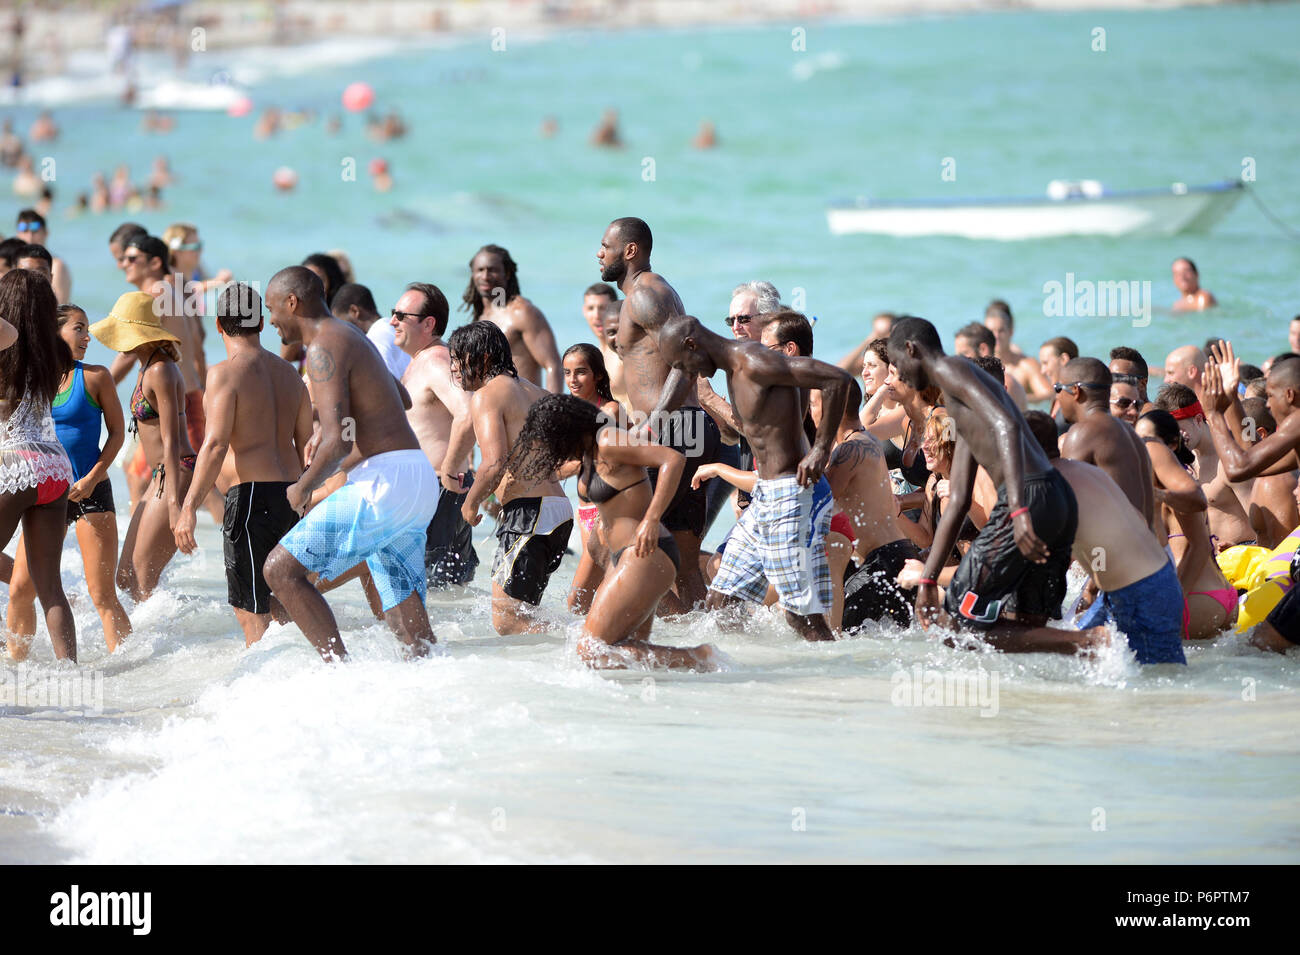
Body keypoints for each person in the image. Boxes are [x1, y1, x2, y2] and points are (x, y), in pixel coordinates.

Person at [888, 317, 1101, 653]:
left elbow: (1007, 427)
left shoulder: (952, 370)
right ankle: (1087, 654)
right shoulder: (959, 401)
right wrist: (929, 578)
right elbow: (958, 498)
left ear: (911, 350)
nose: (898, 373)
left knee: (958, 621)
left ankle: (1088, 641)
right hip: (1055, 499)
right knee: (1026, 625)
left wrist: (1017, 512)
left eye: (897, 362)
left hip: (1027, 501)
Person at [262, 266, 439, 662]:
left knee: (280, 571)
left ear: (293, 302)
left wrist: (303, 486)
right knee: (404, 618)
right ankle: (429, 682)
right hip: (416, 477)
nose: (271, 319)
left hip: (384, 484)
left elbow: (339, 441)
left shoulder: (323, 345)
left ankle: (339, 673)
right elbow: (402, 400)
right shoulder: (354, 337)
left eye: (273, 308)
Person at [656, 313, 851, 642]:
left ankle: (833, 681)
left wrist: (820, 449)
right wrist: (650, 426)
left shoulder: (755, 361)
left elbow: (838, 380)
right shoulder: (733, 371)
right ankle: (753, 676)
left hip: (790, 496)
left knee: (801, 616)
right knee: (721, 602)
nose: (686, 374)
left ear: (692, 344)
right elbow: (754, 431)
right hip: (764, 499)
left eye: (683, 364)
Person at [508, 394, 718, 669]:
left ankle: (700, 658)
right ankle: (688, 675)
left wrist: (652, 519)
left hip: (644, 554)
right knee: (624, 652)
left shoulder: (609, 441)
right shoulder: (588, 454)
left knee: (590, 651)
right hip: (624, 559)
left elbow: (673, 459)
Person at [174, 284, 312, 646]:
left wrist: (188, 507)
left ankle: (260, 692)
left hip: (252, 501)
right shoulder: (291, 374)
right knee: (282, 600)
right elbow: (306, 444)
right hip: (291, 497)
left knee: (250, 613)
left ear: (219, 325)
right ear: (262, 323)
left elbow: (216, 444)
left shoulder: (223, 373)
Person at [599, 216, 722, 611]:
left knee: (611, 542)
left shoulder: (645, 296)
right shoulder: (651, 292)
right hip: (688, 429)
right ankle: (700, 645)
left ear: (630, 251)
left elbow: (688, 361)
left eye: (606, 246)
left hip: (672, 431)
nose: (599, 254)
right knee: (682, 565)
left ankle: (620, 637)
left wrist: (654, 423)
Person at [7, 304, 130, 658]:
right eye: (79, 328)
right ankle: (15, 670)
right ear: (54, 332)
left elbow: (118, 435)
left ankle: (128, 669)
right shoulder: (33, 381)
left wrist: (93, 478)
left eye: (87, 329)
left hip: (90, 491)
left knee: (102, 595)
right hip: (47, 495)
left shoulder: (95, 376)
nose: (87, 337)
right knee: (19, 590)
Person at [1023, 411, 1185, 664]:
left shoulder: (1050, 487)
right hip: (1140, 586)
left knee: (1161, 688)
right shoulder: (1084, 471)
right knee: (1074, 660)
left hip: (1144, 592)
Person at [450, 321, 572, 634]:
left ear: (485, 357)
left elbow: (494, 463)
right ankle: (577, 641)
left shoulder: (488, 395)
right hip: (557, 511)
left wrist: (470, 503)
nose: (453, 367)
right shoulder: (538, 392)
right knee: (523, 616)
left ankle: (584, 642)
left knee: (507, 621)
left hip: (529, 515)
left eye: (458, 358)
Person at [92, 291, 197, 602]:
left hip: (175, 471)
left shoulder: (160, 370)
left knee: (142, 575)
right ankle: (152, 637)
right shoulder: (146, 366)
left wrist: (177, 504)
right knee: (126, 577)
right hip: (161, 475)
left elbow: (174, 439)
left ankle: (165, 644)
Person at [0, 271, 76, 660]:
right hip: (55, 466)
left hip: (15, 462)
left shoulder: (4, 349)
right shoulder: (56, 351)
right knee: (50, 587)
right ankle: (71, 672)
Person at [392, 282, 478, 589]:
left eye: (401, 315)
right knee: (441, 595)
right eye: (393, 313)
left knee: (432, 592)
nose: (392, 321)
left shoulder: (435, 361)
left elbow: (469, 413)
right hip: (432, 491)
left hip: (440, 490)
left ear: (429, 323)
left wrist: (449, 469)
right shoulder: (419, 362)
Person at [827, 377, 923, 632]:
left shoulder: (847, 451)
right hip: (897, 556)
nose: (807, 411)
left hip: (885, 564)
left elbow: (818, 500)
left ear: (831, 411)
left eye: (813, 404)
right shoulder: (864, 440)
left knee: (842, 641)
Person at [1136, 409, 1236, 638]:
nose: (1142, 447)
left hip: (1195, 597)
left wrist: (1174, 604)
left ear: (1170, 445)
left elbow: (1200, 546)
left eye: (1148, 440)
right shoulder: (1182, 478)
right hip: (1217, 595)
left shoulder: (1175, 488)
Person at [1056, 357, 1156, 532]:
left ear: (1075, 391)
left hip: (1118, 555)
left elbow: (1064, 506)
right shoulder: (1132, 436)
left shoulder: (1082, 433)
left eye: (1058, 389)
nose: (1057, 396)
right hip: (1150, 552)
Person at [1154, 382, 1254, 549]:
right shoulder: (1183, 461)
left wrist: (1246, 549)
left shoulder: (1228, 462)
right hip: (1208, 561)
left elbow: (1263, 523)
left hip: (1242, 557)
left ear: (1199, 419)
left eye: (1178, 430)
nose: (1174, 438)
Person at [460, 244, 563, 392]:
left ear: (507, 273)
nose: (485, 276)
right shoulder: (480, 318)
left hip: (524, 408)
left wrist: (553, 411)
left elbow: (553, 365)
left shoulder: (522, 313)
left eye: (492, 270)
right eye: (480, 270)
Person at [331, 282, 410, 381]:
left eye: (341, 323)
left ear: (354, 311)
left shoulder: (376, 340)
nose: (341, 332)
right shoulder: (391, 330)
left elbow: (385, 386)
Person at [985, 301, 1052, 402]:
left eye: (1001, 331)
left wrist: (1016, 396)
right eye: (991, 331)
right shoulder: (977, 365)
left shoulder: (1026, 365)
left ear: (1011, 331)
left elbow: (1048, 395)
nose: (996, 336)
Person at [953, 322, 1028, 409]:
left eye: (963, 354)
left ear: (983, 349)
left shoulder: (1002, 382)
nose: (957, 360)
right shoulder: (998, 379)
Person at [581, 282, 626, 406]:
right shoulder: (594, 354)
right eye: (591, 308)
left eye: (603, 308)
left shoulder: (624, 353)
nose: (596, 315)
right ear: (584, 311)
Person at [14, 209, 70, 302]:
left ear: (46, 233)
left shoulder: (56, 266)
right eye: (25, 231)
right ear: (17, 234)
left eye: (35, 231)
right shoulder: (14, 261)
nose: (29, 237)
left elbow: (59, 307)